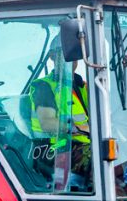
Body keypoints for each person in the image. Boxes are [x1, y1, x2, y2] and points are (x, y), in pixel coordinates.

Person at [28, 37, 92, 191]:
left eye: (75, 56)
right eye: (66, 55)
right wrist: (78, 128)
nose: (71, 60)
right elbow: (47, 123)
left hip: (83, 145)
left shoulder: (83, 87)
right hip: (53, 148)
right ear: (52, 57)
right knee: (99, 158)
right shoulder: (43, 86)